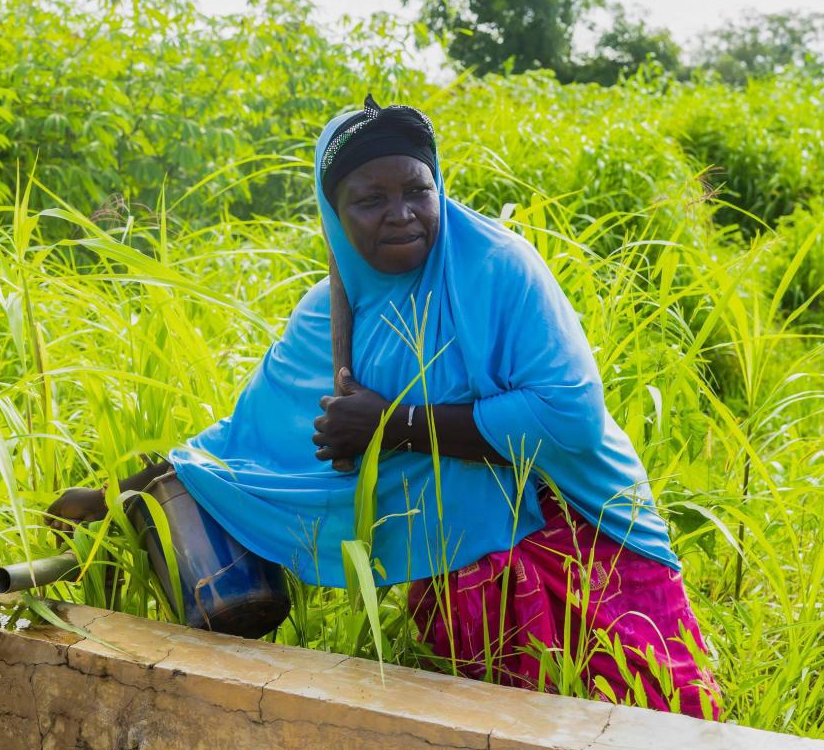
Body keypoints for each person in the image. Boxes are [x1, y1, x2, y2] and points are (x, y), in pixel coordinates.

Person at [46, 96, 721, 719]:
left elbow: (566, 417)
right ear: (334, 212)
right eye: (370, 199)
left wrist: (389, 423)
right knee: (482, 727)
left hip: (582, 536)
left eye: (416, 191)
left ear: (439, 190)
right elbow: (245, 443)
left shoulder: (498, 270)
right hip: (455, 562)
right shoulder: (330, 314)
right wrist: (113, 498)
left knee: (644, 721)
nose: (400, 213)